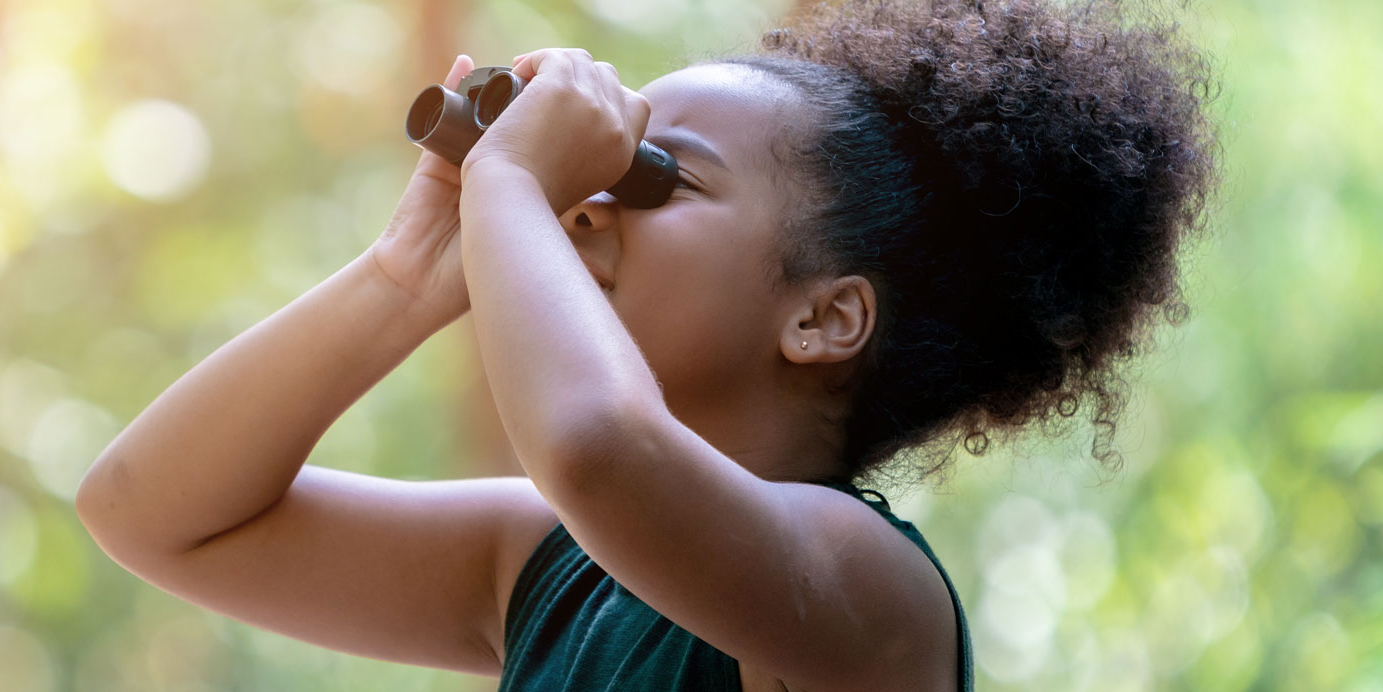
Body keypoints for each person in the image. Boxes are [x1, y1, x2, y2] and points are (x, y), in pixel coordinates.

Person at [74, 0, 1217, 689]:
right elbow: (149, 509)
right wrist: (406, 275)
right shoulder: (548, 561)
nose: (584, 208)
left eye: (652, 177)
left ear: (824, 317)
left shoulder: (870, 590)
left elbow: (597, 444)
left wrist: (515, 179)